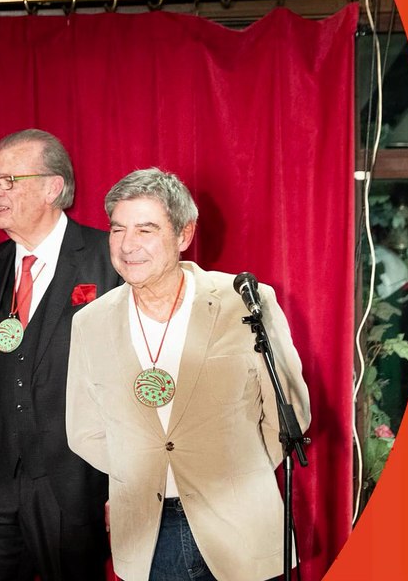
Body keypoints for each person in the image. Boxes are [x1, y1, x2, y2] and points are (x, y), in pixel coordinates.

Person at [65, 168, 311, 581]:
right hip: (147, 535)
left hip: (241, 530)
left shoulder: (245, 302)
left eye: (145, 229)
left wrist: (231, 474)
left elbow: (289, 415)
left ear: (184, 235)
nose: (128, 245)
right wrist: (147, 471)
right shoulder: (90, 322)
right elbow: (84, 430)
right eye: (117, 229)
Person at [0, 129, 119, 581]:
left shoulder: (108, 257)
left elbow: (127, 380)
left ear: (53, 187)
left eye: (9, 180)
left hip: (73, 482)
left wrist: (120, 487)